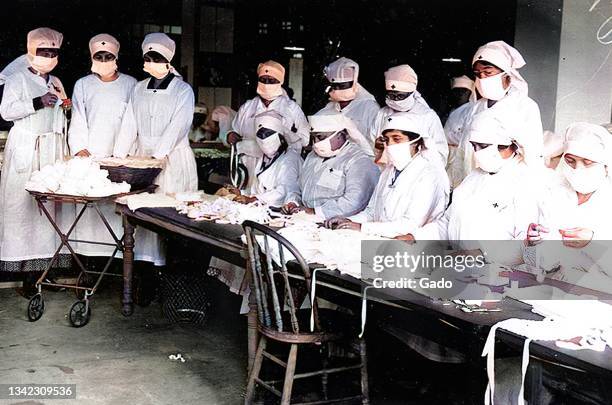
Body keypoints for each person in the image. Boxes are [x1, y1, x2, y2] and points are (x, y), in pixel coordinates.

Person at [404, 110, 541, 265]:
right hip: (459, 267)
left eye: (482, 146)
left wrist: (480, 255)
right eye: (474, 146)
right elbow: (447, 222)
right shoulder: (474, 177)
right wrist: (416, 237)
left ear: (506, 145)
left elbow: (526, 245)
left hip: (496, 275)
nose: (477, 153)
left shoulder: (525, 182)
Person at [113, 32, 197, 265]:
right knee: (144, 218)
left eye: (158, 58)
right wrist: (119, 156)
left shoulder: (182, 90)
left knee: (171, 214)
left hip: (172, 159)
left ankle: (171, 271)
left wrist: (157, 156)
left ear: (169, 61)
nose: (152, 63)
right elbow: (129, 123)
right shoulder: (139, 88)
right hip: (143, 160)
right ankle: (146, 270)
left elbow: (178, 126)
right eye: (149, 57)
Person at [0, 27, 68, 281]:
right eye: (43, 51)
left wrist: (65, 105)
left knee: (48, 214)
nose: (49, 56)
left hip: (50, 151)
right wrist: (37, 102)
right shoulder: (18, 79)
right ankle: (25, 274)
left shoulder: (56, 81)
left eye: (53, 52)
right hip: (27, 149)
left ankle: (45, 270)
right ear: (31, 53)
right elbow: (6, 112)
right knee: (23, 210)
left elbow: (62, 113)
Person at [324, 112, 449, 238]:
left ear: (415, 142)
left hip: (409, 247)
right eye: (387, 140)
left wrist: (362, 227)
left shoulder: (429, 175)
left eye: (397, 139)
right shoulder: (389, 171)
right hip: (378, 238)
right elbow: (370, 212)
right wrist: (349, 221)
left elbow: (410, 225)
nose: (390, 145)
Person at [67, 33, 137, 257]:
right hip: (90, 155)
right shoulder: (83, 85)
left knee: (116, 213)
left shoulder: (131, 84)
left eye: (108, 56)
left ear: (116, 57)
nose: (104, 60)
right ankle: (88, 262)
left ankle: (117, 262)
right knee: (90, 215)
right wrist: (79, 148)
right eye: (99, 56)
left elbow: (132, 121)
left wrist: (123, 152)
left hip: (121, 156)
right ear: (92, 57)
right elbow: (78, 118)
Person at [525, 123, 612, 288]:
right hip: (557, 290)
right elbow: (536, 266)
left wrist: (592, 243)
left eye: (587, 163)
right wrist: (531, 244)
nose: (577, 169)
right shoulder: (555, 196)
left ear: (606, 166)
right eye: (571, 161)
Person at [453, 41, 544, 186]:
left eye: (488, 73)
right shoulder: (476, 107)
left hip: (506, 184)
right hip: (472, 181)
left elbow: (533, 156)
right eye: (478, 74)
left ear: (506, 74)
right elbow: (463, 150)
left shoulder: (525, 107)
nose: (482, 79)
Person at [228, 60, 309, 190]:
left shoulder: (291, 108)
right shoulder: (248, 107)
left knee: (270, 198)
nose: (267, 84)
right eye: (263, 80)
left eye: (271, 81)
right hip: (248, 163)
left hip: (277, 165)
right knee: (245, 200)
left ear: (280, 82)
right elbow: (234, 131)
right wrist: (231, 135)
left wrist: (284, 138)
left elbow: (305, 139)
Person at [282, 113, 380, 219]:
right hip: (304, 218)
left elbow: (355, 201)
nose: (316, 143)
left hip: (337, 222)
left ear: (340, 135)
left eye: (321, 137)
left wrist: (315, 211)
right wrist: (293, 202)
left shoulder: (359, 161)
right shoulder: (312, 156)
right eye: (313, 137)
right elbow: (299, 186)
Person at [369, 64, 448, 164]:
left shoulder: (427, 116)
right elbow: (369, 143)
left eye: (400, 96)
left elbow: (441, 153)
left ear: (412, 93)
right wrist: (377, 147)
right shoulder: (382, 113)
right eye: (391, 95)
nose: (395, 100)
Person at [227, 111, 302, 206]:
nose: (264, 138)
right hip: (262, 208)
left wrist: (254, 199)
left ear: (280, 135)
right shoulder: (264, 158)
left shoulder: (290, 159)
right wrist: (241, 193)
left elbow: (285, 190)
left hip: (280, 209)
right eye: (260, 135)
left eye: (268, 134)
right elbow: (257, 189)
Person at [316, 57, 379, 155]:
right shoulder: (329, 108)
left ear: (353, 83)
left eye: (342, 86)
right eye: (334, 86)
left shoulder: (369, 108)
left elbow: (377, 144)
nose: (337, 90)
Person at [445, 75, 476, 188]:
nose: (459, 94)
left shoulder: (471, 110)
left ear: (470, 93)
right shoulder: (453, 110)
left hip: (459, 154)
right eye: (456, 91)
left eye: (463, 91)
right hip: (448, 153)